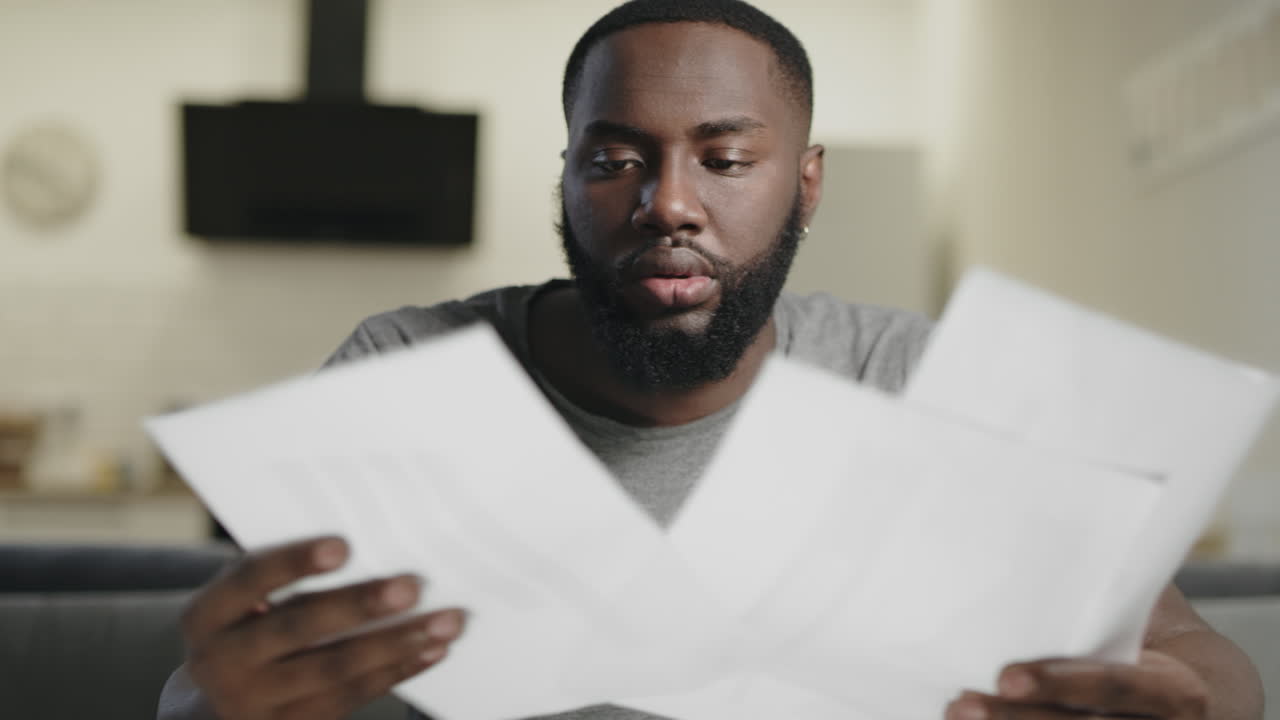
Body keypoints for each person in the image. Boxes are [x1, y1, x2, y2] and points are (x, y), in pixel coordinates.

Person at [158, 1, 1264, 719]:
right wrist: (225, 706)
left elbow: (1190, 652)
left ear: (807, 182)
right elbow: (220, 685)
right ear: (565, 180)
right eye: (614, 158)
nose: (668, 204)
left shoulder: (916, 378)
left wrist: (1184, 703)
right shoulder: (402, 370)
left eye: (725, 158)